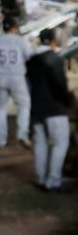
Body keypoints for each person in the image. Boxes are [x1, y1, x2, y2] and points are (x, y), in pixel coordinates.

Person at [26, 28, 73, 191]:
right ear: (53, 40)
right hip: (54, 108)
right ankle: (53, 181)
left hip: (36, 107)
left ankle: (40, 178)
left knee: (40, 144)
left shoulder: (31, 60)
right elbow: (60, 85)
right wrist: (68, 101)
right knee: (61, 143)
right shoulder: (55, 59)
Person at [0, 18, 33, 149]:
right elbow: (29, 58)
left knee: (0, 109)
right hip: (18, 77)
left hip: (1, 77)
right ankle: (22, 135)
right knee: (23, 106)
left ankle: (0, 141)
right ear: (15, 27)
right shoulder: (21, 41)